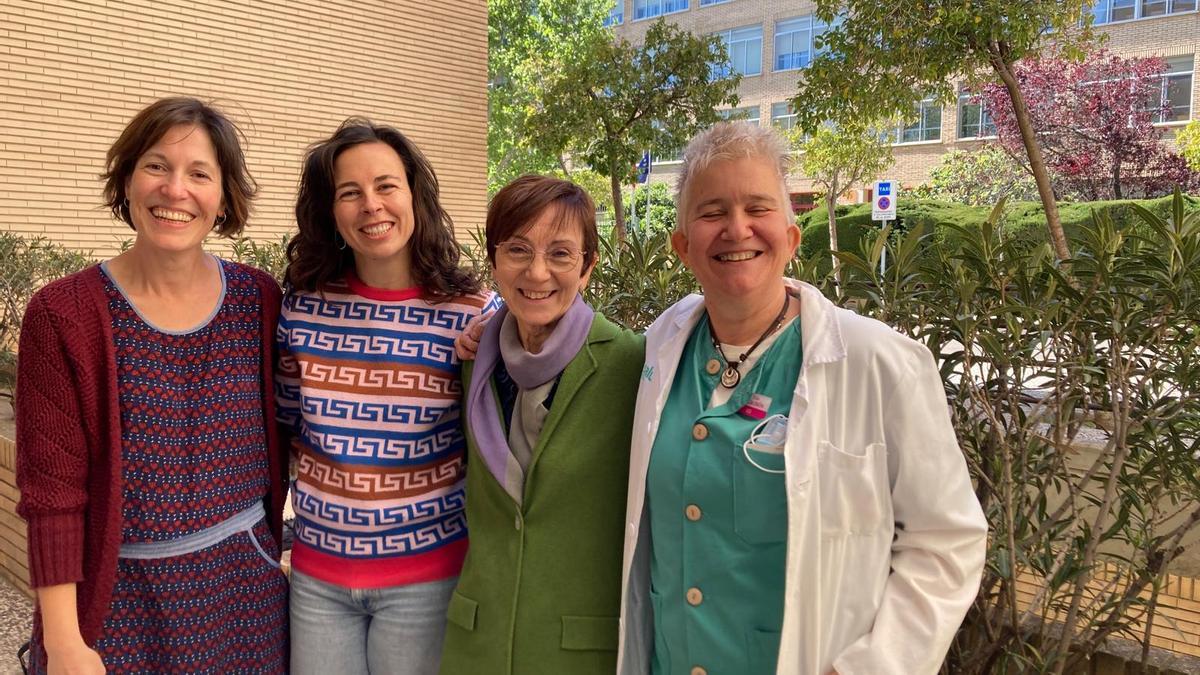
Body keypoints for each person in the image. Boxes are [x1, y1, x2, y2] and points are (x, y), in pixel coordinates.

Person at [616, 122, 988, 675]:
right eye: (712, 212)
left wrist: (870, 668)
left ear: (790, 238)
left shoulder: (879, 363)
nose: (737, 228)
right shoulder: (660, 346)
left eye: (757, 208)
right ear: (682, 247)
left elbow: (947, 542)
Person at [16, 97, 289, 674]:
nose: (175, 190)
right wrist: (64, 642)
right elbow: (52, 494)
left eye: (200, 174)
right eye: (157, 166)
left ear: (224, 198)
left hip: (246, 598)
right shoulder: (64, 314)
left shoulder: (259, 300)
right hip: (119, 607)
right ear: (128, 180)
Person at [277, 119, 497, 675]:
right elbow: (286, 428)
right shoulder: (301, 307)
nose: (371, 205)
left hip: (428, 579)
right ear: (330, 211)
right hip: (318, 580)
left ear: (413, 195)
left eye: (385, 186)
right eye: (349, 192)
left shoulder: (472, 313)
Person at [438, 175, 643, 675]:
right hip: (478, 644)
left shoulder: (631, 364)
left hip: (578, 650)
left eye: (560, 254)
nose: (536, 272)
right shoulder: (473, 360)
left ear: (588, 267)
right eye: (517, 249)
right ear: (493, 260)